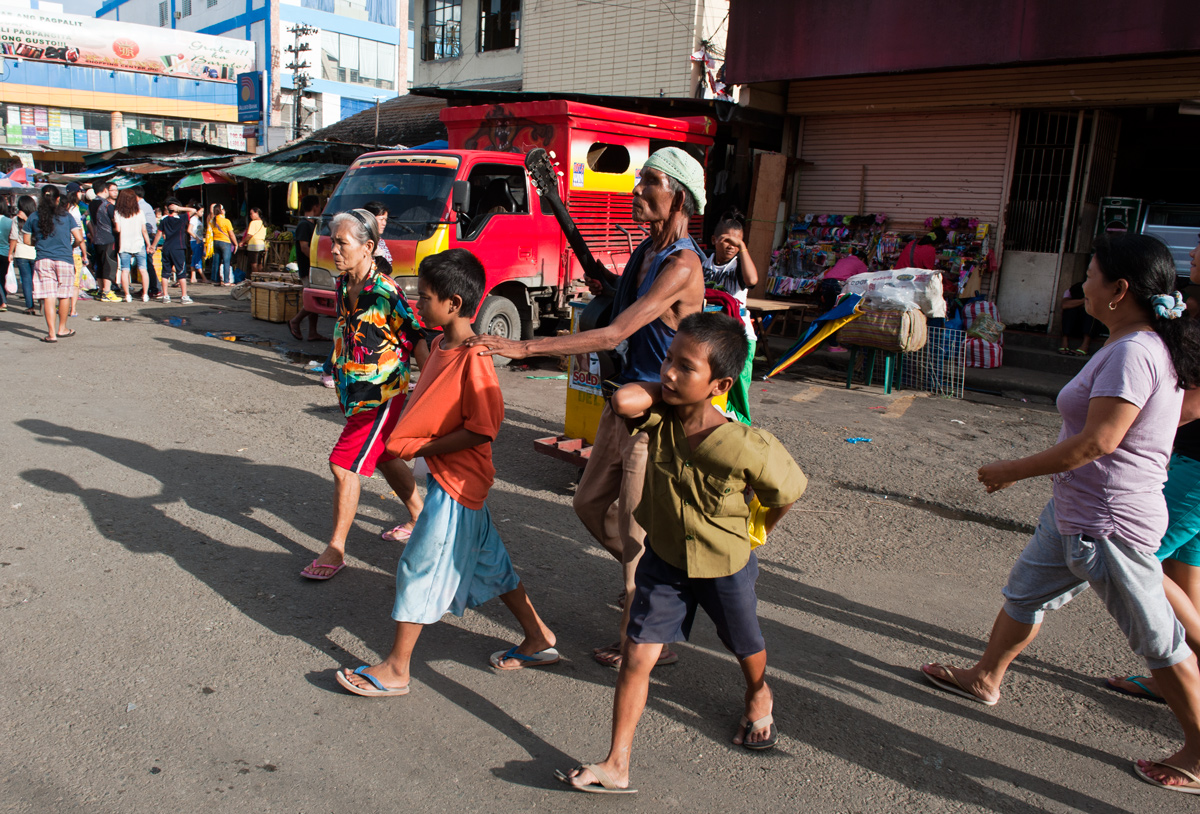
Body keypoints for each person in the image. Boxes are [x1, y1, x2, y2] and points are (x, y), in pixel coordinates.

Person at [920, 233, 1200, 795]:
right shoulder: (1134, 342)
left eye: (1091, 276)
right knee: (1024, 594)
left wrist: (1011, 469)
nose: (1082, 288)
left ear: (1119, 290)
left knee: (1157, 640)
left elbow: (1099, 440)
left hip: (1109, 522)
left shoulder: (1133, 352)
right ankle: (985, 677)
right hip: (1076, 510)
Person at [467, 147, 708, 669]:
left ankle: (645, 641)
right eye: (639, 180)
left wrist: (525, 349)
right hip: (618, 405)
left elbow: (619, 330)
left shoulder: (684, 264)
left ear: (679, 196)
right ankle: (661, 585)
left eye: (649, 182)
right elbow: (610, 294)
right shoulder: (646, 253)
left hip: (654, 416)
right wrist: (555, 202)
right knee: (588, 507)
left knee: (635, 530)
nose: (636, 191)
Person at [556, 313, 807, 794]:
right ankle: (617, 763)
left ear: (720, 384)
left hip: (725, 564)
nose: (669, 372)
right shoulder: (660, 414)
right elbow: (625, 398)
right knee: (635, 654)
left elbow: (788, 489)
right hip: (665, 560)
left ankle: (759, 692)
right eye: (668, 359)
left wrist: (758, 531)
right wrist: (665, 385)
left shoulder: (742, 444)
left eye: (684, 367)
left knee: (744, 642)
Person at [335, 247, 559, 698]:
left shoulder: (475, 359)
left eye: (427, 296)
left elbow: (484, 428)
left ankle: (397, 668)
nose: (418, 302)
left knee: (419, 566)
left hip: (458, 482)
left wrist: (425, 446)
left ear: (454, 304)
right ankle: (539, 638)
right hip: (448, 476)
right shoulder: (440, 344)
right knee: (493, 565)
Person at [301, 209, 427, 581]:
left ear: (368, 246)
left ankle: (336, 549)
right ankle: (420, 516)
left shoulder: (386, 292)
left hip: (381, 396)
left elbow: (417, 338)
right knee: (385, 457)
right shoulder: (344, 283)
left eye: (342, 243)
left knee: (343, 464)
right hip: (354, 392)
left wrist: (432, 394)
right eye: (332, 242)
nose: (334, 250)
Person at [1106, 236, 1200, 706]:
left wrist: (1136, 434)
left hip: (1193, 466)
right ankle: (1184, 673)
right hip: (1190, 465)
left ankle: (1182, 674)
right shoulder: (1191, 310)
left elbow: (1188, 408)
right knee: (1183, 570)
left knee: (1139, 562)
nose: (1194, 253)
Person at [702, 209, 758, 425]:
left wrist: (743, 248)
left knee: (738, 388)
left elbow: (752, 280)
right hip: (710, 333)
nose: (731, 246)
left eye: (737, 242)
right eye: (726, 240)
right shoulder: (703, 262)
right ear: (714, 240)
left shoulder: (739, 265)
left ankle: (742, 428)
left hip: (738, 336)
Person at [24, 185, 85, 343]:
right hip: (64, 259)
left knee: (48, 297)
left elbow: (26, 240)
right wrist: (72, 246)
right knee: (64, 295)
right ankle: (62, 328)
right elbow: (79, 238)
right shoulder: (66, 216)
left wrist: (38, 243)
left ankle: (51, 334)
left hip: (43, 259)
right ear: (58, 199)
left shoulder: (34, 216)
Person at [287, 195, 327, 342]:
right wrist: (318, 262)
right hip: (308, 268)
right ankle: (295, 321)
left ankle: (312, 332)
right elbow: (304, 247)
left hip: (312, 268)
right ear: (315, 206)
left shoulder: (312, 224)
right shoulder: (304, 225)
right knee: (313, 300)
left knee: (314, 299)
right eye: (319, 206)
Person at [113, 189, 150, 303]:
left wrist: (113, 227)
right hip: (139, 243)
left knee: (125, 270)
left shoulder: (118, 212)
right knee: (143, 270)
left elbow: (118, 229)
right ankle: (145, 294)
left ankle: (127, 295)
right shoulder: (139, 212)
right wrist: (148, 244)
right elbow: (144, 230)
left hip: (124, 244)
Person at [158, 198, 197, 304]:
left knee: (165, 272)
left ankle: (165, 295)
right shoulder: (182, 218)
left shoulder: (164, 220)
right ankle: (184, 296)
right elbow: (193, 210)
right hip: (178, 248)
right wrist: (180, 208)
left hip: (166, 247)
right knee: (181, 272)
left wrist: (153, 246)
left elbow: (159, 234)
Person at [87, 180, 120, 302]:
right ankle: (107, 291)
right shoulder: (107, 205)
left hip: (96, 238)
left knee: (100, 264)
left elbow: (89, 221)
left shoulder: (91, 204)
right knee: (109, 264)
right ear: (105, 190)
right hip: (108, 238)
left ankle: (101, 290)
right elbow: (115, 222)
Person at [1057, 280, 1104, 355]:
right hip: (1074, 327)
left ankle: (1085, 345)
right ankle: (1064, 342)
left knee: (1089, 311)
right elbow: (1064, 305)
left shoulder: (1095, 292)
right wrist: (1083, 300)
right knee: (1069, 310)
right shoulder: (1070, 291)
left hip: (1092, 328)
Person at [10, 195, 37, 315]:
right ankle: (42, 302)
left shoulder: (17, 219)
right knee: (37, 279)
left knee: (26, 280)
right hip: (36, 251)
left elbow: (14, 238)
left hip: (21, 252)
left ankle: (30, 307)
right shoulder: (37, 217)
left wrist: (10, 253)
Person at [135, 187, 162, 300]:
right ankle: (150, 287)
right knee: (146, 264)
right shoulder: (146, 205)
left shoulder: (141, 206)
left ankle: (155, 288)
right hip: (149, 236)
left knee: (147, 264)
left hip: (148, 236)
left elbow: (144, 226)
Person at [209, 204, 238, 286]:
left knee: (216, 262)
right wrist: (236, 244)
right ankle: (226, 281)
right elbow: (231, 234)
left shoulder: (213, 221)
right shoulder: (226, 221)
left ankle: (217, 280)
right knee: (226, 262)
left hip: (216, 242)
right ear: (221, 211)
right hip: (225, 242)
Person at [363, 200, 393, 277]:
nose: (384, 223)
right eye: (381, 219)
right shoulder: (362, 241)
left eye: (385, 220)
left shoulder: (380, 241)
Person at [243, 207, 267, 277]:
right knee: (259, 264)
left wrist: (242, 242)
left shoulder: (253, 223)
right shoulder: (263, 222)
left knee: (254, 264)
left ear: (257, 213)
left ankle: (256, 278)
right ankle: (261, 278)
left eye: (251, 213)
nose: (250, 215)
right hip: (261, 245)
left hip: (254, 246)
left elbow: (250, 235)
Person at [187, 202, 206, 283]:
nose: (202, 213)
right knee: (198, 259)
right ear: (196, 211)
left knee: (195, 258)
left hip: (198, 240)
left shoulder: (197, 220)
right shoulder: (193, 220)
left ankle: (193, 276)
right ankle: (203, 277)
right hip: (195, 241)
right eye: (201, 211)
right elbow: (189, 230)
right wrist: (197, 238)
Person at [0, 201, 11, 313]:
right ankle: (3, 299)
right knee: (2, 277)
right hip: (6, 252)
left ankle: (2, 301)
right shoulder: (9, 222)